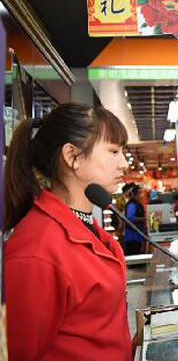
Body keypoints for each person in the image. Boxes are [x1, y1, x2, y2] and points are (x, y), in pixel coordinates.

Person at [3, 103, 132, 360]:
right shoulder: (36, 250)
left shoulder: (83, 225)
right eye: (114, 151)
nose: (123, 164)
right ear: (72, 156)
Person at [123, 183, 147, 255]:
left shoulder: (137, 204)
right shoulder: (132, 205)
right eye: (140, 193)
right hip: (132, 237)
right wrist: (145, 218)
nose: (142, 195)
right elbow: (130, 218)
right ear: (135, 194)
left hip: (137, 235)